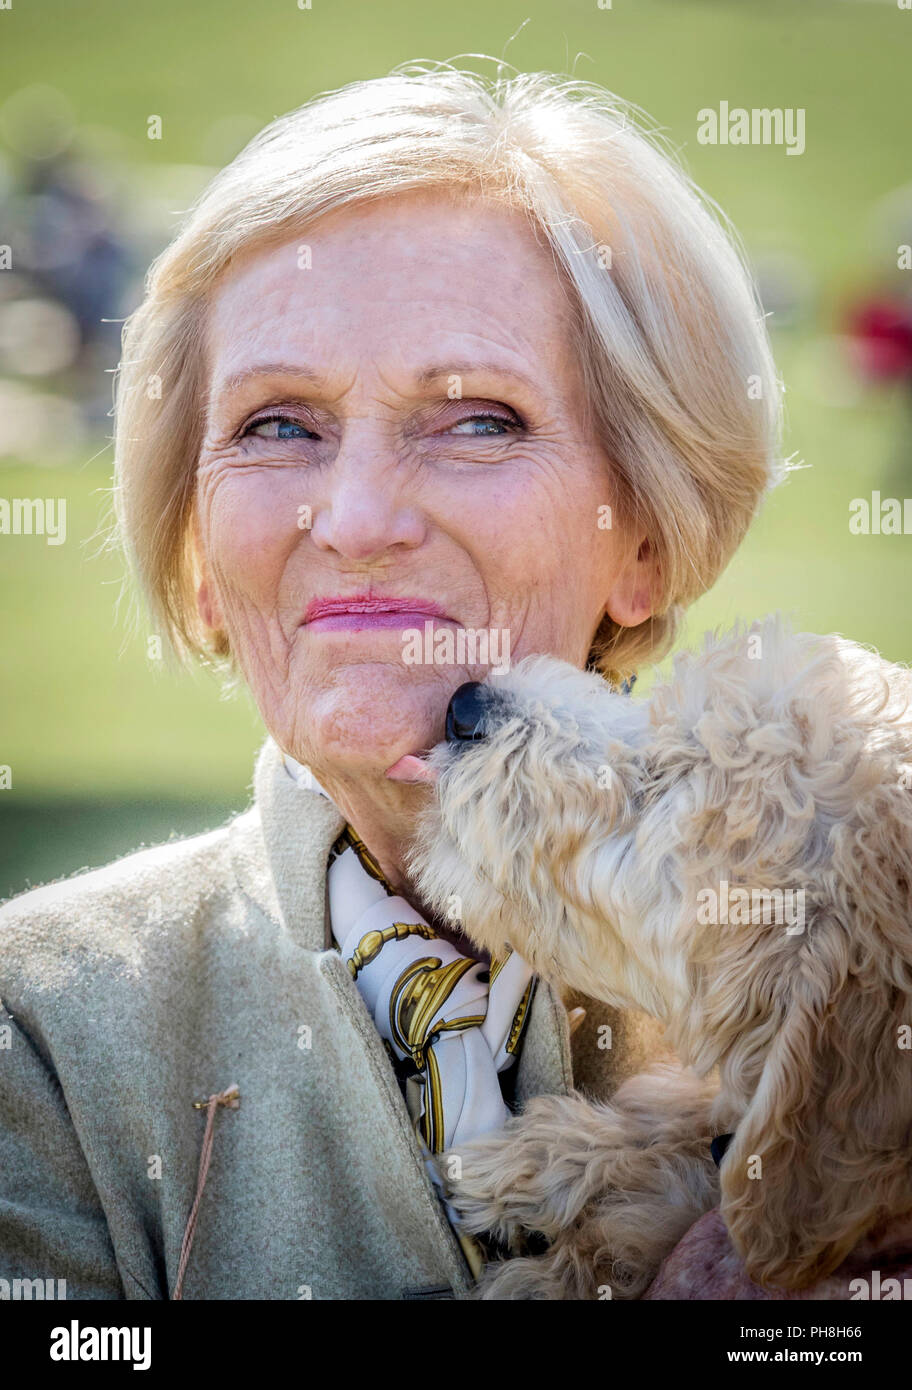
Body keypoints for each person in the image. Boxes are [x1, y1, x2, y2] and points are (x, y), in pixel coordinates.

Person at [0, 62, 782, 1299]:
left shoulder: (833, 972)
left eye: (475, 418)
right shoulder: (34, 1031)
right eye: (277, 425)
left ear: (644, 534)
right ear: (200, 555)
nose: (357, 517)